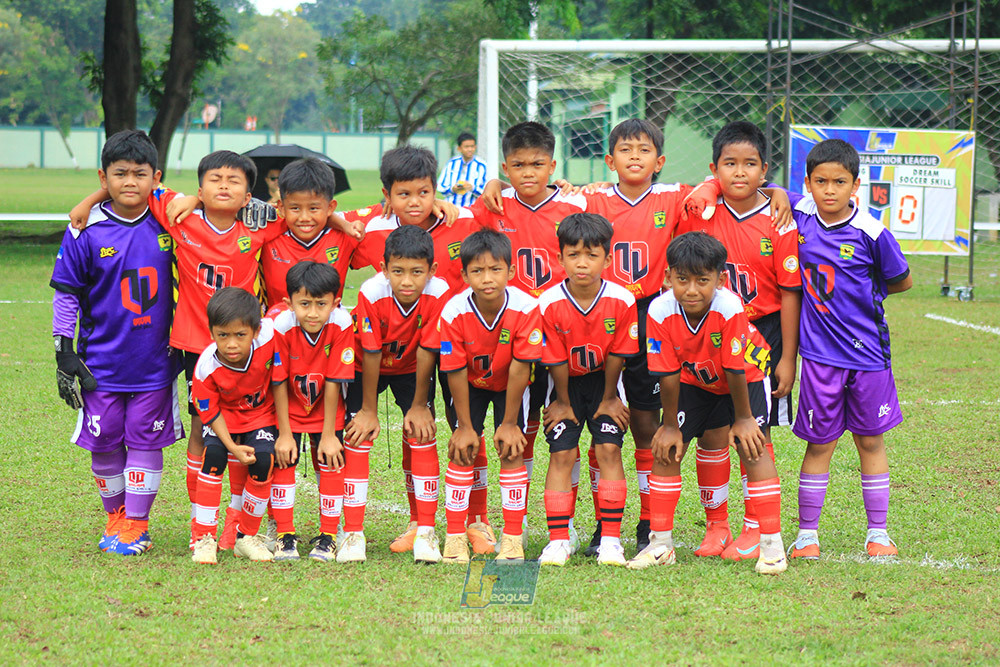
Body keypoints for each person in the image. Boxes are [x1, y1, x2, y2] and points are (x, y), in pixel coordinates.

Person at [50, 129, 182, 556]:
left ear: (156, 177)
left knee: (145, 441)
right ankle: (115, 516)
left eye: (139, 174)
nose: (130, 182)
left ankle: (137, 526)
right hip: (99, 364)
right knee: (104, 440)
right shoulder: (83, 230)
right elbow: (67, 294)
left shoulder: (171, 222)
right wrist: (63, 351)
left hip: (156, 362)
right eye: (119, 173)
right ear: (103, 177)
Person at [675, 121, 802, 561]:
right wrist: (708, 188)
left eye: (750, 164)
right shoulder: (700, 209)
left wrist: (787, 357)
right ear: (715, 169)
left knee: (753, 433)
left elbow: (790, 292)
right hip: (707, 333)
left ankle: (756, 529)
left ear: (765, 170)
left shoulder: (780, 217)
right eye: (730, 164)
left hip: (759, 335)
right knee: (711, 433)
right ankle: (717, 527)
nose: (740, 173)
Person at [787, 138, 912, 560]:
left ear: (855, 185)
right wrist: (708, 187)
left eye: (839, 182)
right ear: (807, 183)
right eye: (820, 181)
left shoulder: (871, 233)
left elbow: (901, 280)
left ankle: (878, 533)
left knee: (870, 442)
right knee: (819, 445)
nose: (829, 190)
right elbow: (756, 187)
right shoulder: (799, 214)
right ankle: (807, 536)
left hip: (868, 358)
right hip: (820, 359)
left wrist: (865, 297)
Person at [638, 231, 787, 575]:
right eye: (682, 280)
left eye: (703, 281)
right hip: (696, 380)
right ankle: (662, 544)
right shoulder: (659, 311)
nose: (692, 290)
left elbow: (736, 366)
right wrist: (671, 425)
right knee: (667, 448)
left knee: (754, 447)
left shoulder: (729, 306)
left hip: (744, 375)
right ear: (668, 277)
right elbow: (667, 370)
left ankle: (770, 545)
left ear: (720, 280)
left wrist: (745, 419)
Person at [467, 121, 588, 546]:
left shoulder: (575, 205)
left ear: (553, 165)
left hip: (561, 338)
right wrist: (490, 186)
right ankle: (506, 525)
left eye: (538, 164)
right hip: (509, 340)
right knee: (518, 432)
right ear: (505, 167)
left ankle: (565, 526)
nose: (528, 173)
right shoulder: (491, 207)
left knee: (562, 431)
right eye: (517, 166)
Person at [427, 229, 542, 562]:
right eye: (477, 271)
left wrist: (508, 422)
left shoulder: (526, 307)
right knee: (463, 448)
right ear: (464, 275)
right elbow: (454, 370)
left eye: (495, 270)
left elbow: (522, 367)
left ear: (511, 271)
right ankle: (454, 537)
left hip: (510, 384)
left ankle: (512, 538)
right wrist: (464, 425)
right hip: (468, 385)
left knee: (511, 449)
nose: (487, 278)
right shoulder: (453, 311)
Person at [339, 225, 450, 564]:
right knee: (358, 436)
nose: (407, 281)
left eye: (417, 272)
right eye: (398, 271)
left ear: (431, 270)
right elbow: (370, 351)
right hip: (366, 366)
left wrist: (419, 405)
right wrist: (369, 410)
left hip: (411, 368)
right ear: (383, 268)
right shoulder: (372, 291)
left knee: (421, 430)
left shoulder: (440, 291)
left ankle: (426, 532)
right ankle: (353, 534)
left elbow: (429, 349)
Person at [537, 213, 639, 567]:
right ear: (560, 257)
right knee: (562, 454)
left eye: (592, 255)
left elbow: (618, 355)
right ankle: (558, 540)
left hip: (604, 383)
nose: (582, 263)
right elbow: (554, 359)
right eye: (574, 254)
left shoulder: (622, 300)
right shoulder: (548, 303)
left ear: (608, 259)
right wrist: (563, 403)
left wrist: (610, 397)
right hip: (563, 384)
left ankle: (611, 540)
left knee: (609, 449)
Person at [270, 261, 355, 562]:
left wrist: (330, 434)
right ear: (288, 302)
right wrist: (283, 433)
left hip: (326, 406)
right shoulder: (280, 325)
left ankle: (329, 535)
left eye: (322, 304)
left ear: (336, 301)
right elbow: (278, 380)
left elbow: (334, 379)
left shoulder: (342, 323)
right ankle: (284, 534)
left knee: (331, 460)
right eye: (304, 304)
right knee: (283, 458)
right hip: (287, 407)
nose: (313, 313)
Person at [190, 287, 280, 564]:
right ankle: (203, 538)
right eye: (223, 335)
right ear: (212, 332)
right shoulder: (206, 366)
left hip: (261, 415)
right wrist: (232, 447)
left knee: (264, 461)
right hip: (224, 419)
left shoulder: (269, 336)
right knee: (215, 457)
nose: (231, 344)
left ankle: (247, 537)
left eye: (240, 335)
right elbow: (211, 413)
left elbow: (285, 315)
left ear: (255, 330)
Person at [260, 158, 360, 305]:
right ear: (281, 207)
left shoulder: (349, 232)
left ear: (331, 208)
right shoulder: (265, 229)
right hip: (277, 326)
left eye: (313, 208)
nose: (304, 217)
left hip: (329, 326)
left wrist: (389, 199)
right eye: (295, 208)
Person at [437, 132, 487, 207]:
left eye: (472, 146)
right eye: (466, 147)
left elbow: (487, 192)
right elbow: (440, 186)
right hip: (451, 209)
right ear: (459, 148)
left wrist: (472, 188)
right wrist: (453, 189)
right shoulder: (452, 163)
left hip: (472, 211)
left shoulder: (482, 165)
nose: (470, 149)